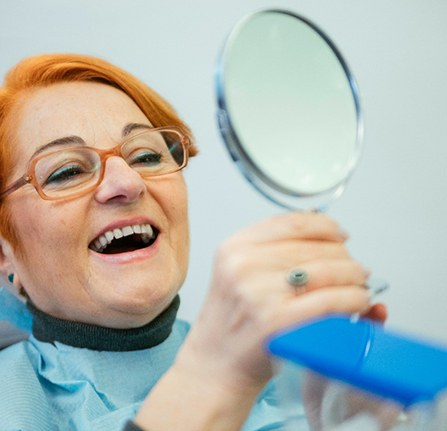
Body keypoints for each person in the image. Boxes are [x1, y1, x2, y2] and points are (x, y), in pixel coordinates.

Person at [0, 53, 386, 431]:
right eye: (67, 171)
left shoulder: (286, 378)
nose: (127, 183)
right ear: (4, 253)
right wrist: (214, 376)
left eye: (147, 156)